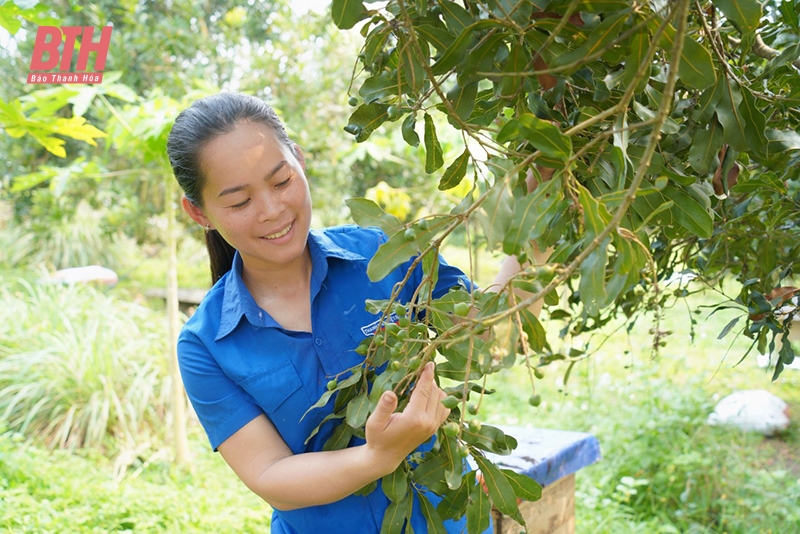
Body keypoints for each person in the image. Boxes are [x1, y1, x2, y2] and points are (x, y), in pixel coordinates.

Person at [166, 92, 546, 533]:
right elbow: (270, 476)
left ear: (300, 162)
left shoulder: (382, 252)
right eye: (239, 202)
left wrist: (537, 225)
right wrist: (377, 456)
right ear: (200, 212)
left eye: (281, 181)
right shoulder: (206, 343)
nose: (272, 210)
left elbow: (485, 334)